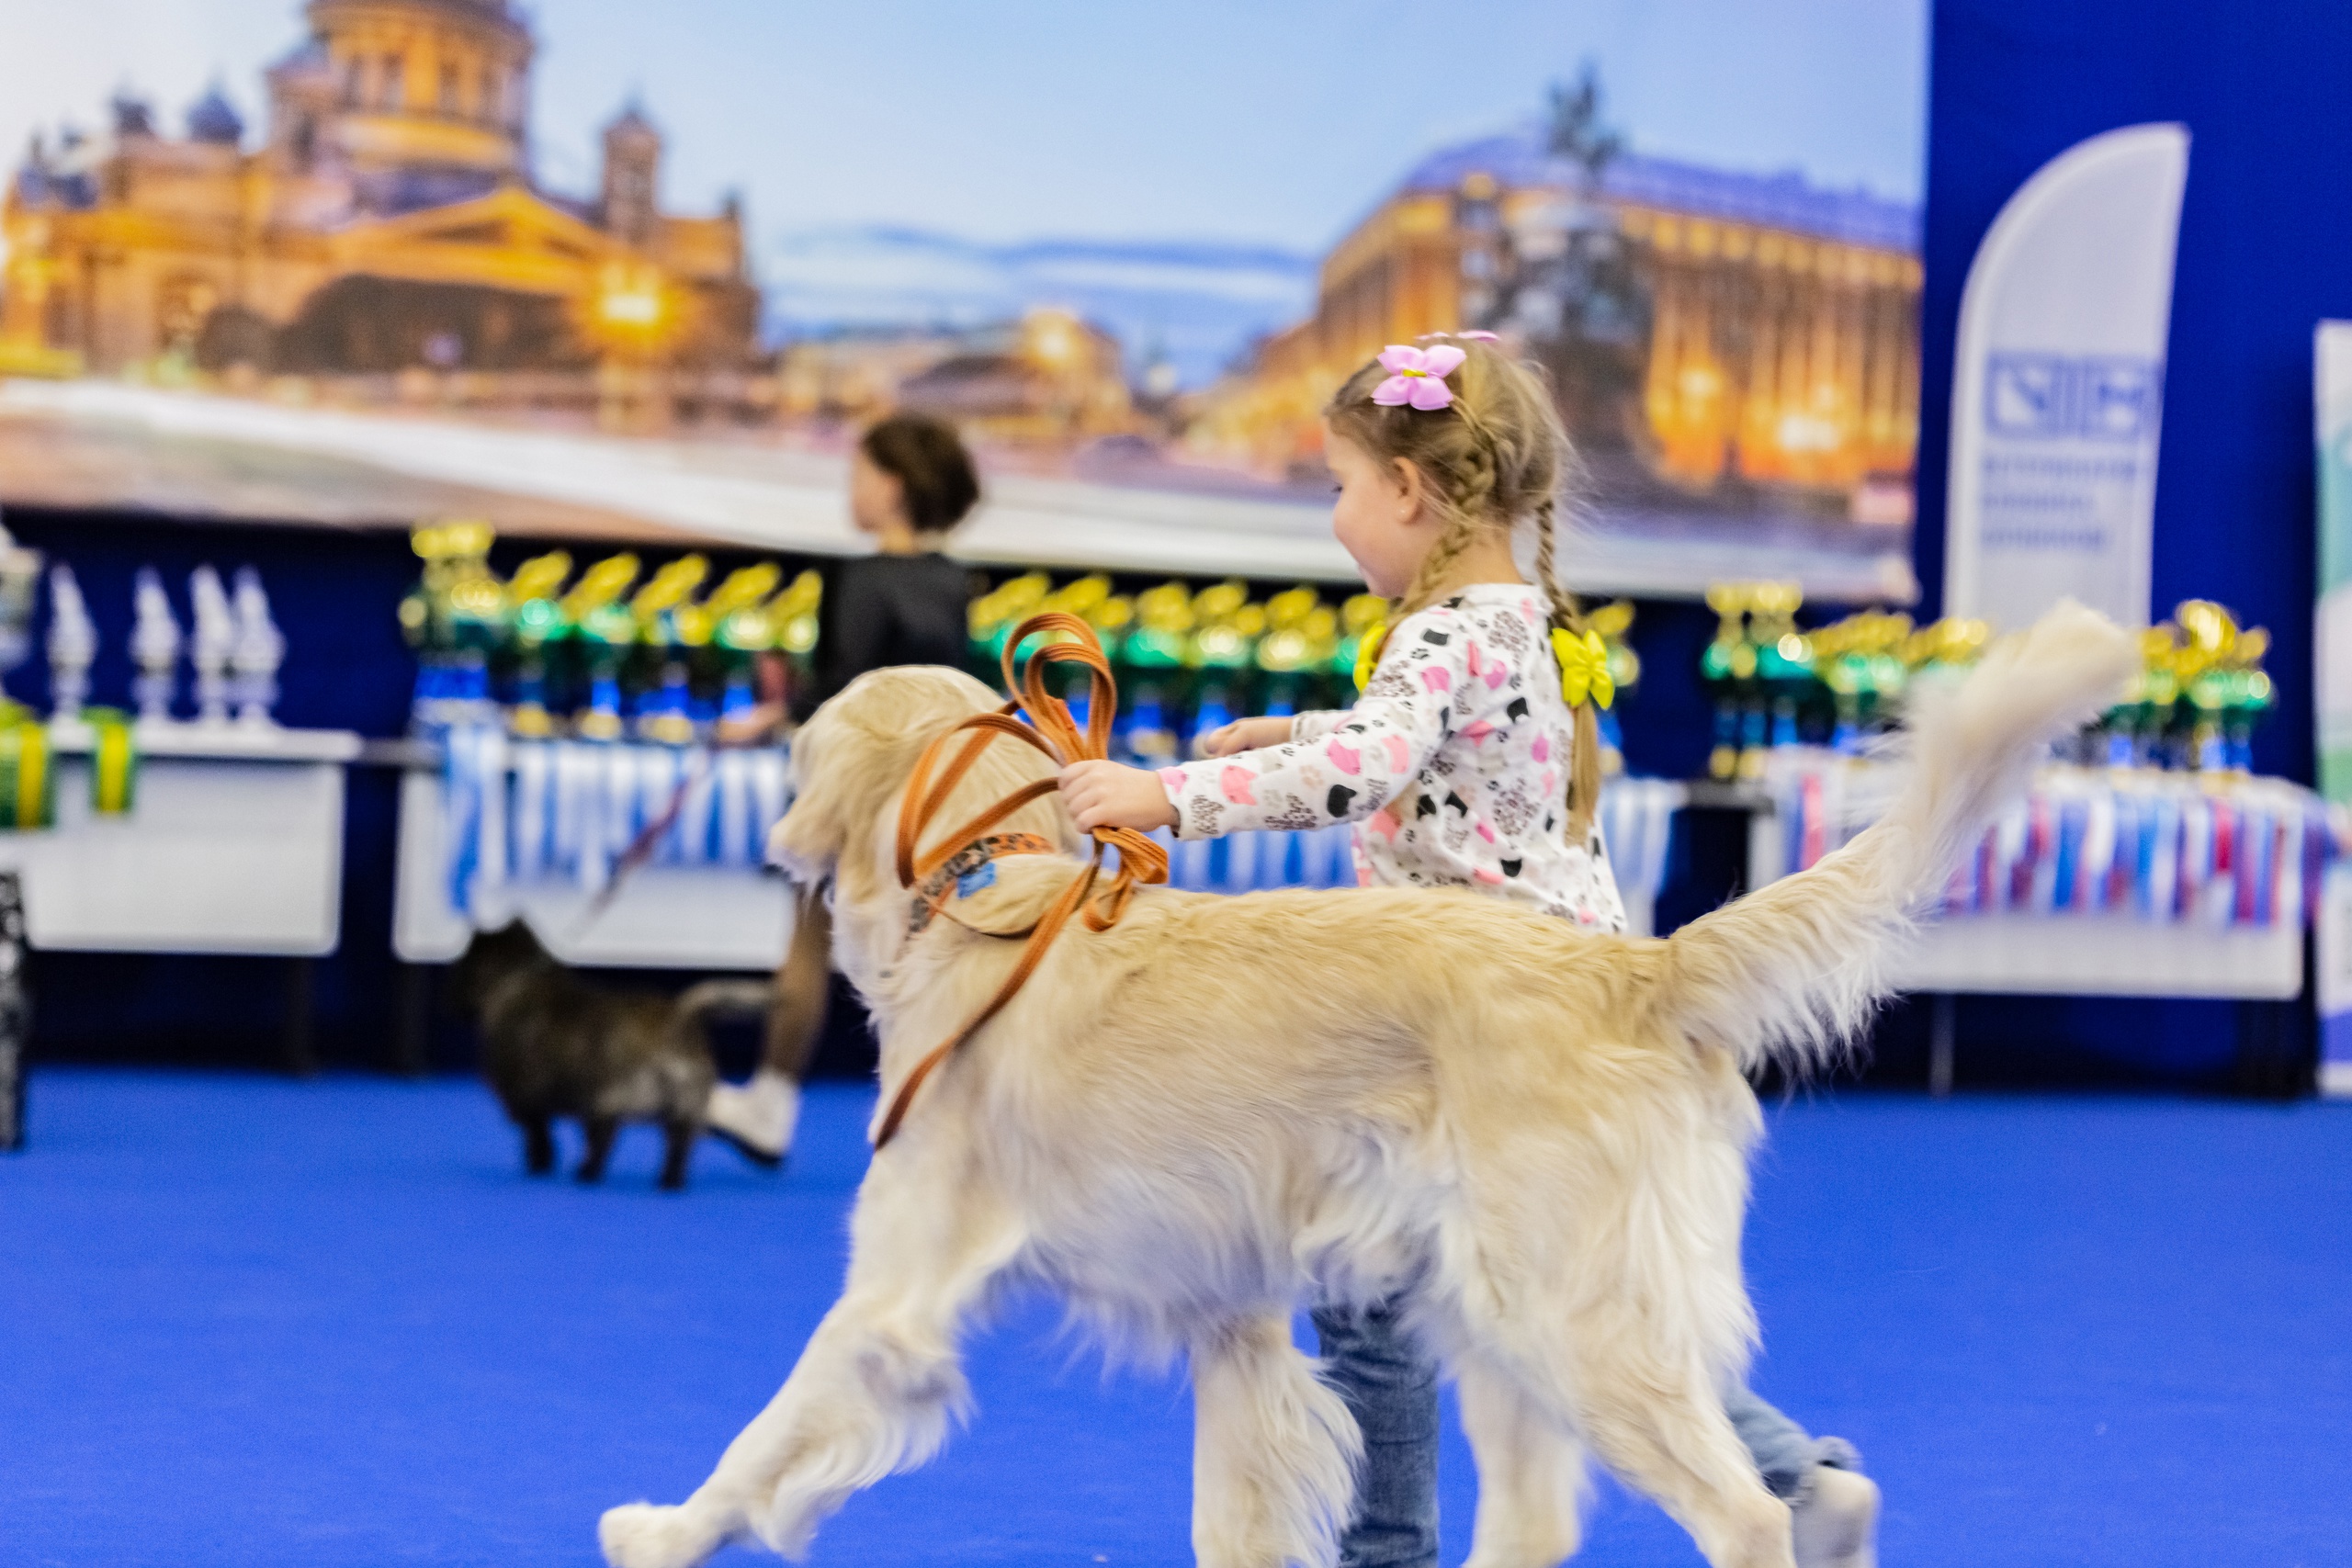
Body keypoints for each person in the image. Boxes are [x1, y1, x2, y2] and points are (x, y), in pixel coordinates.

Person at [1057, 337, 1879, 1568]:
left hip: (1473, 1038)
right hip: (1546, 1010)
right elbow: (1414, 742)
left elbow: (1371, 767)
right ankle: (1788, 1471)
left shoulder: (1438, 635)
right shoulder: (1512, 618)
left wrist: (1166, 794)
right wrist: (1292, 723)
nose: (1335, 516)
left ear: (1409, 489)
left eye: (1339, 484)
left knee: (1386, 1301)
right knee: (1585, 1312)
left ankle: (1392, 1549)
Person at [705, 411, 982, 1167]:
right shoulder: (954, 583)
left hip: (854, 788)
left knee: (805, 939)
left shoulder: (859, 579)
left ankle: (768, 1102)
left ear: (891, 486)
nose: (851, 490)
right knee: (924, 954)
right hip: (933, 791)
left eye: (858, 474)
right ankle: (942, 1121)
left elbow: (844, 693)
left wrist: (766, 711)